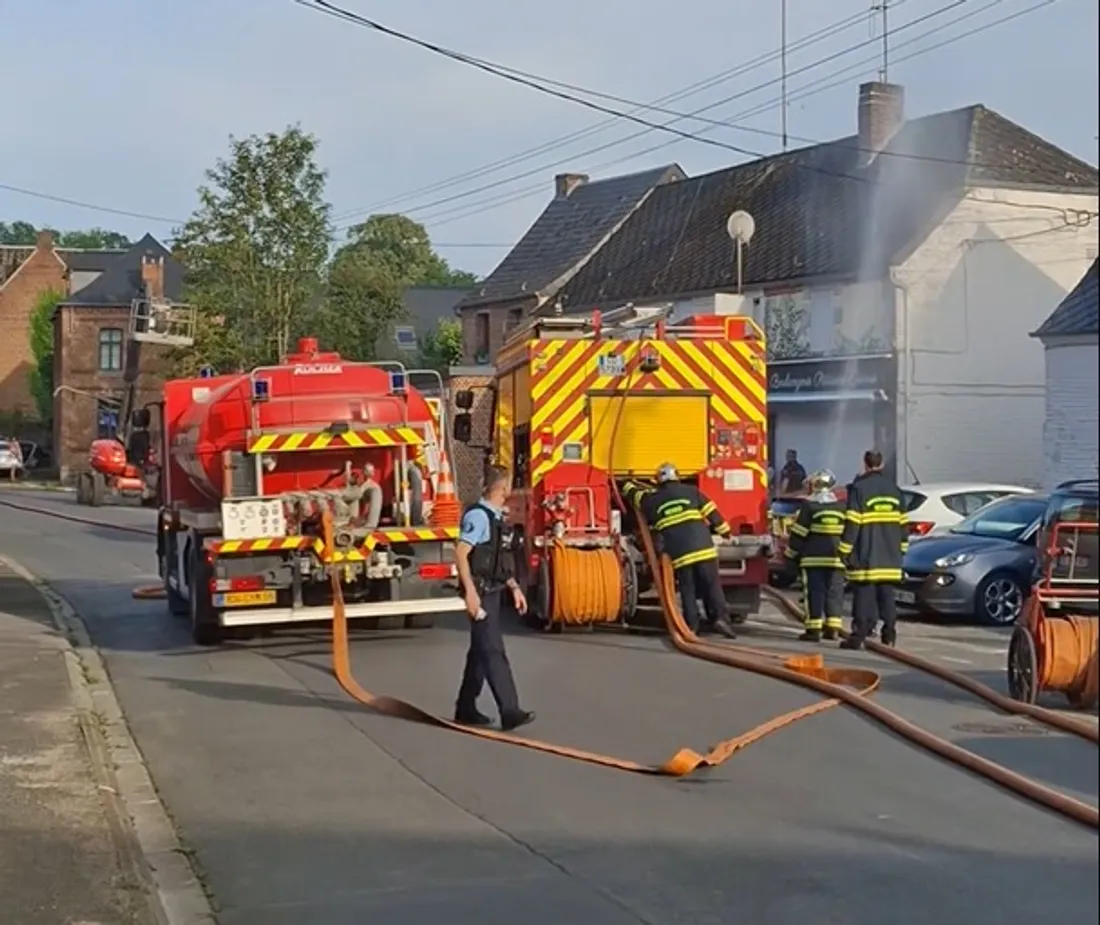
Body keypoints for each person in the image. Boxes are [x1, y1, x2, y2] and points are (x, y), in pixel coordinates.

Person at [453, 466, 535, 731]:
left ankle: (465, 708)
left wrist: (514, 587)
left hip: (494, 590)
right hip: (481, 593)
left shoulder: (496, 517)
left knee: (480, 651)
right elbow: (461, 553)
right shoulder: (478, 517)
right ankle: (509, 710)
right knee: (492, 649)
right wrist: (470, 593)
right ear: (503, 488)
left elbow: (498, 560)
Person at [636, 463, 738, 639]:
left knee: (687, 589)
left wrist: (628, 486)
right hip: (703, 549)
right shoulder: (692, 491)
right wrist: (726, 532)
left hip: (681, 554)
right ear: (677, 477)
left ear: (658, 480)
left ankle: (691, 626)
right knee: (712, 585)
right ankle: (720, 618)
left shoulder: (653, 500)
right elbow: (712, 513)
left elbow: (638, 499)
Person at [837, 450, 908, 650]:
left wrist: (844, 550)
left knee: (863, 596)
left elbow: (853, 524)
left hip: (866, 555)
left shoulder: (859, 489)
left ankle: (858, 636)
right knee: (887, 596)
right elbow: (903, 525)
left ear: (865, 464)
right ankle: (889, 634)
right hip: (891, 555)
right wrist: (901, 551)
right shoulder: (895, 490)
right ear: (882, 464)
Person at [784, 469, 846, 642]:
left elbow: (799, 534)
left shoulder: (809, 507)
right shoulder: (841, 507)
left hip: (813, 560)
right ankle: (833, 628)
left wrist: (791, 554)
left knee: (814, 592)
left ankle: (813, 630)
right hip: (836, 559)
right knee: (835, 592)